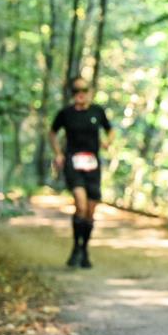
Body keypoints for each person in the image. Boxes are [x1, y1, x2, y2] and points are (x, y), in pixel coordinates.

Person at [49, 77, 113, 269]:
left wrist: (108, 142)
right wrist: (58, 154)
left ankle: (83, 249)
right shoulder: (65, 114)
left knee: (91, 211)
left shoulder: (97, 111)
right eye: (76, 90)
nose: (80, 93)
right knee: (81, 204)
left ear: (89, 91)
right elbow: (52, 133)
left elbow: (111, 130)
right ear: (72, 93)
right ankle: (76, 248)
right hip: (73, 162)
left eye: (84, 89)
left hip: (92, 164)